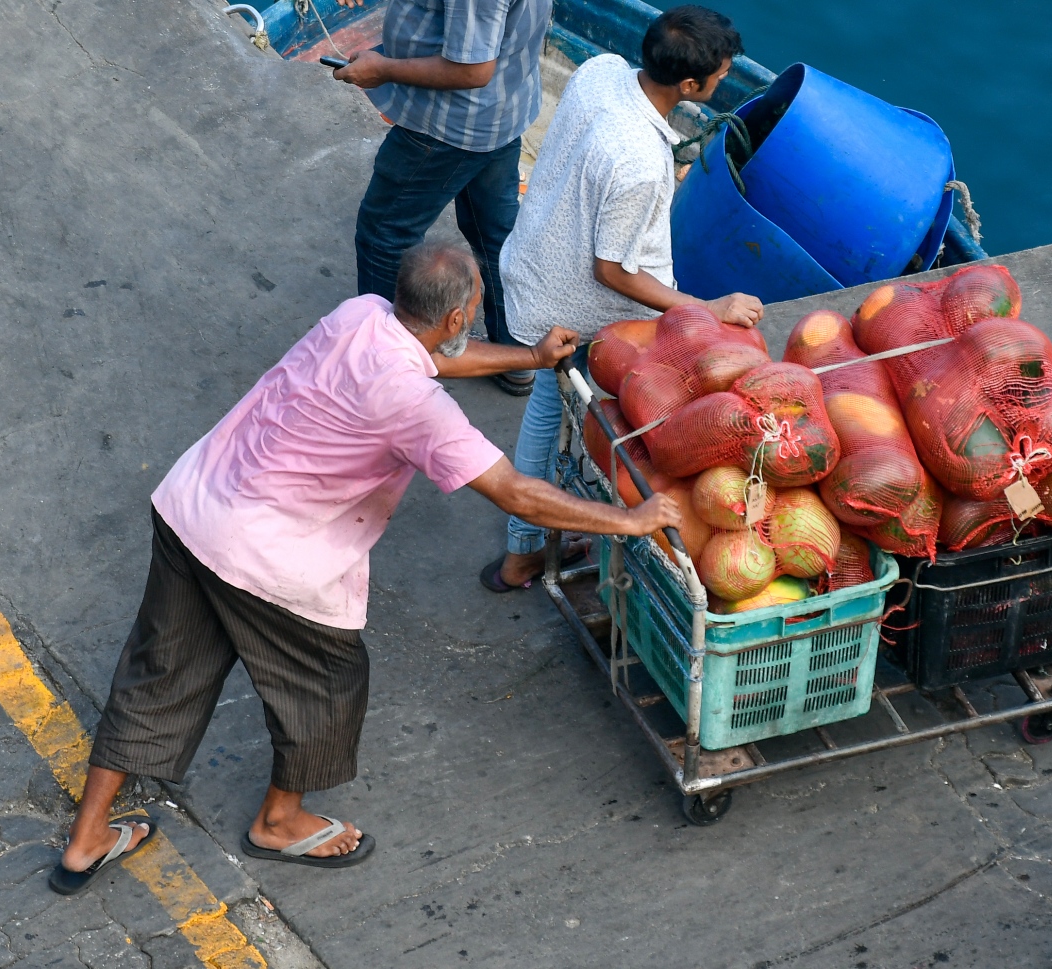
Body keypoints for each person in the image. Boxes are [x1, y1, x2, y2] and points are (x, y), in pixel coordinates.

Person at [49, 241, 680, 895]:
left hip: (197, 503)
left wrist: (531, 355)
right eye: (475, 309)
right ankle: (280, 818)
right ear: (460, 318)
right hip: (262, 550)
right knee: (328, 678)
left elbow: (431, 356)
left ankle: (88, 836)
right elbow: (515, 491)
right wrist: (632, 519)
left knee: (160, 671)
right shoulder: (417, 406)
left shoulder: (361, 315)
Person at [483, 4, 763, 593]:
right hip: (574, 304)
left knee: (546, 403)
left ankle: (526, 545)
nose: (723, 81)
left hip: (533, 263)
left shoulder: (602, 69)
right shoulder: (638, 163)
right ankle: (526, 549)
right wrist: (706, 309)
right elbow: (612, 271)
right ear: (690, 86)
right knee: (562, 411)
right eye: (718, 75)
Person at [333, 0, 550, 397]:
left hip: (448, 127)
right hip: (502, 112)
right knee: (495, 233)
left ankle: (384, 366)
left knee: (384, 234)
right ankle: (514, 352)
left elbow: (472, 69)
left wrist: (382, 69)